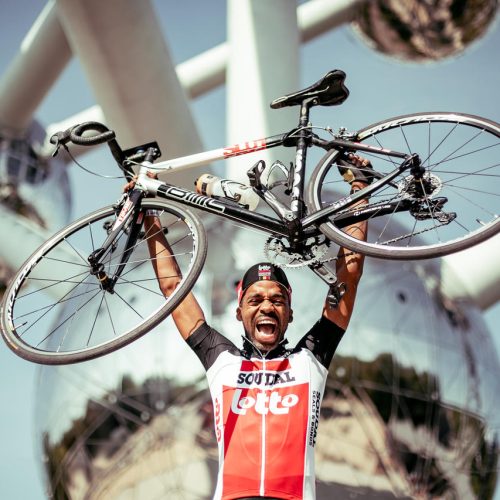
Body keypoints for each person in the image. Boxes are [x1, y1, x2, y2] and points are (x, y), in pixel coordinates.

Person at [125, 153, 373, 500]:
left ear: (290, 313)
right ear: (239, 313)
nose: (267, 306)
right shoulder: (221, 360)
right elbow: (173, 288)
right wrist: (148, 216)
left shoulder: (310, 358)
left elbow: (350, 269)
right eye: (255, 301)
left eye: (277, 300)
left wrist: (360, 186)